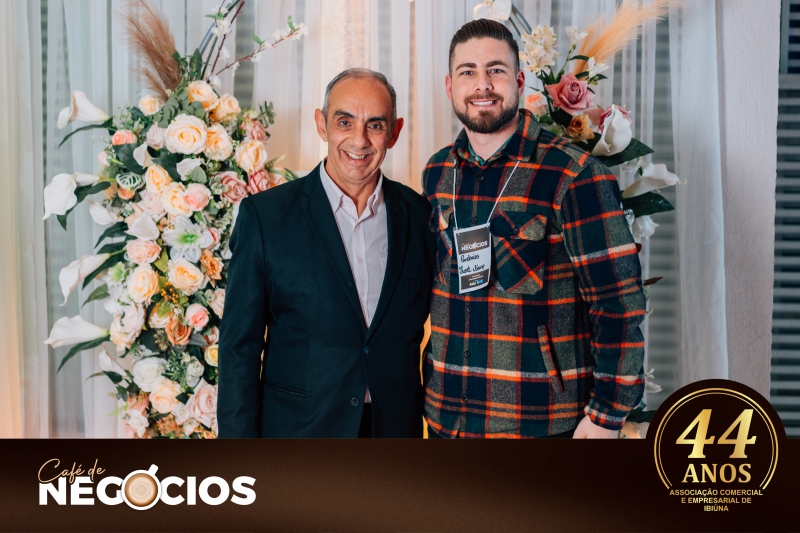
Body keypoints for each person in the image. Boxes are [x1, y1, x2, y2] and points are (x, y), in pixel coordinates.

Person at [422, 20, 647, 439]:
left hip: (539, 424)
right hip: (446, 418)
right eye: (468, 72)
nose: (482, 84)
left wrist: (607, 414)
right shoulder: (437, 171)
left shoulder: (574, 175)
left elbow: (618, 304)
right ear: (450, 86)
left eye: (496, 70)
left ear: (520, 81)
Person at [218, 68, 435, 438]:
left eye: (375, 125)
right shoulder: (265, 217)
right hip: (300, 435)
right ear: (322, 124)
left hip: (395, 435)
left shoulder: (420, 215)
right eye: (344, 122)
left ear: (394, 132)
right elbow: (239, 349)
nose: (359, 140)